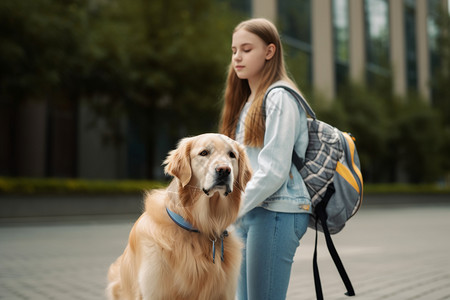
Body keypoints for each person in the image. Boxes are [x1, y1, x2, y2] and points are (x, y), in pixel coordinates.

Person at [219, 18, 312, 300]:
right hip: (251, 211)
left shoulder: (279, 97)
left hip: (276, 212)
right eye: (234, 50)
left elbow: (273, 171)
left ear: (269, 51)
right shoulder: (249, 99)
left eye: (246, 49)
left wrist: (230, 211)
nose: (237, 57)